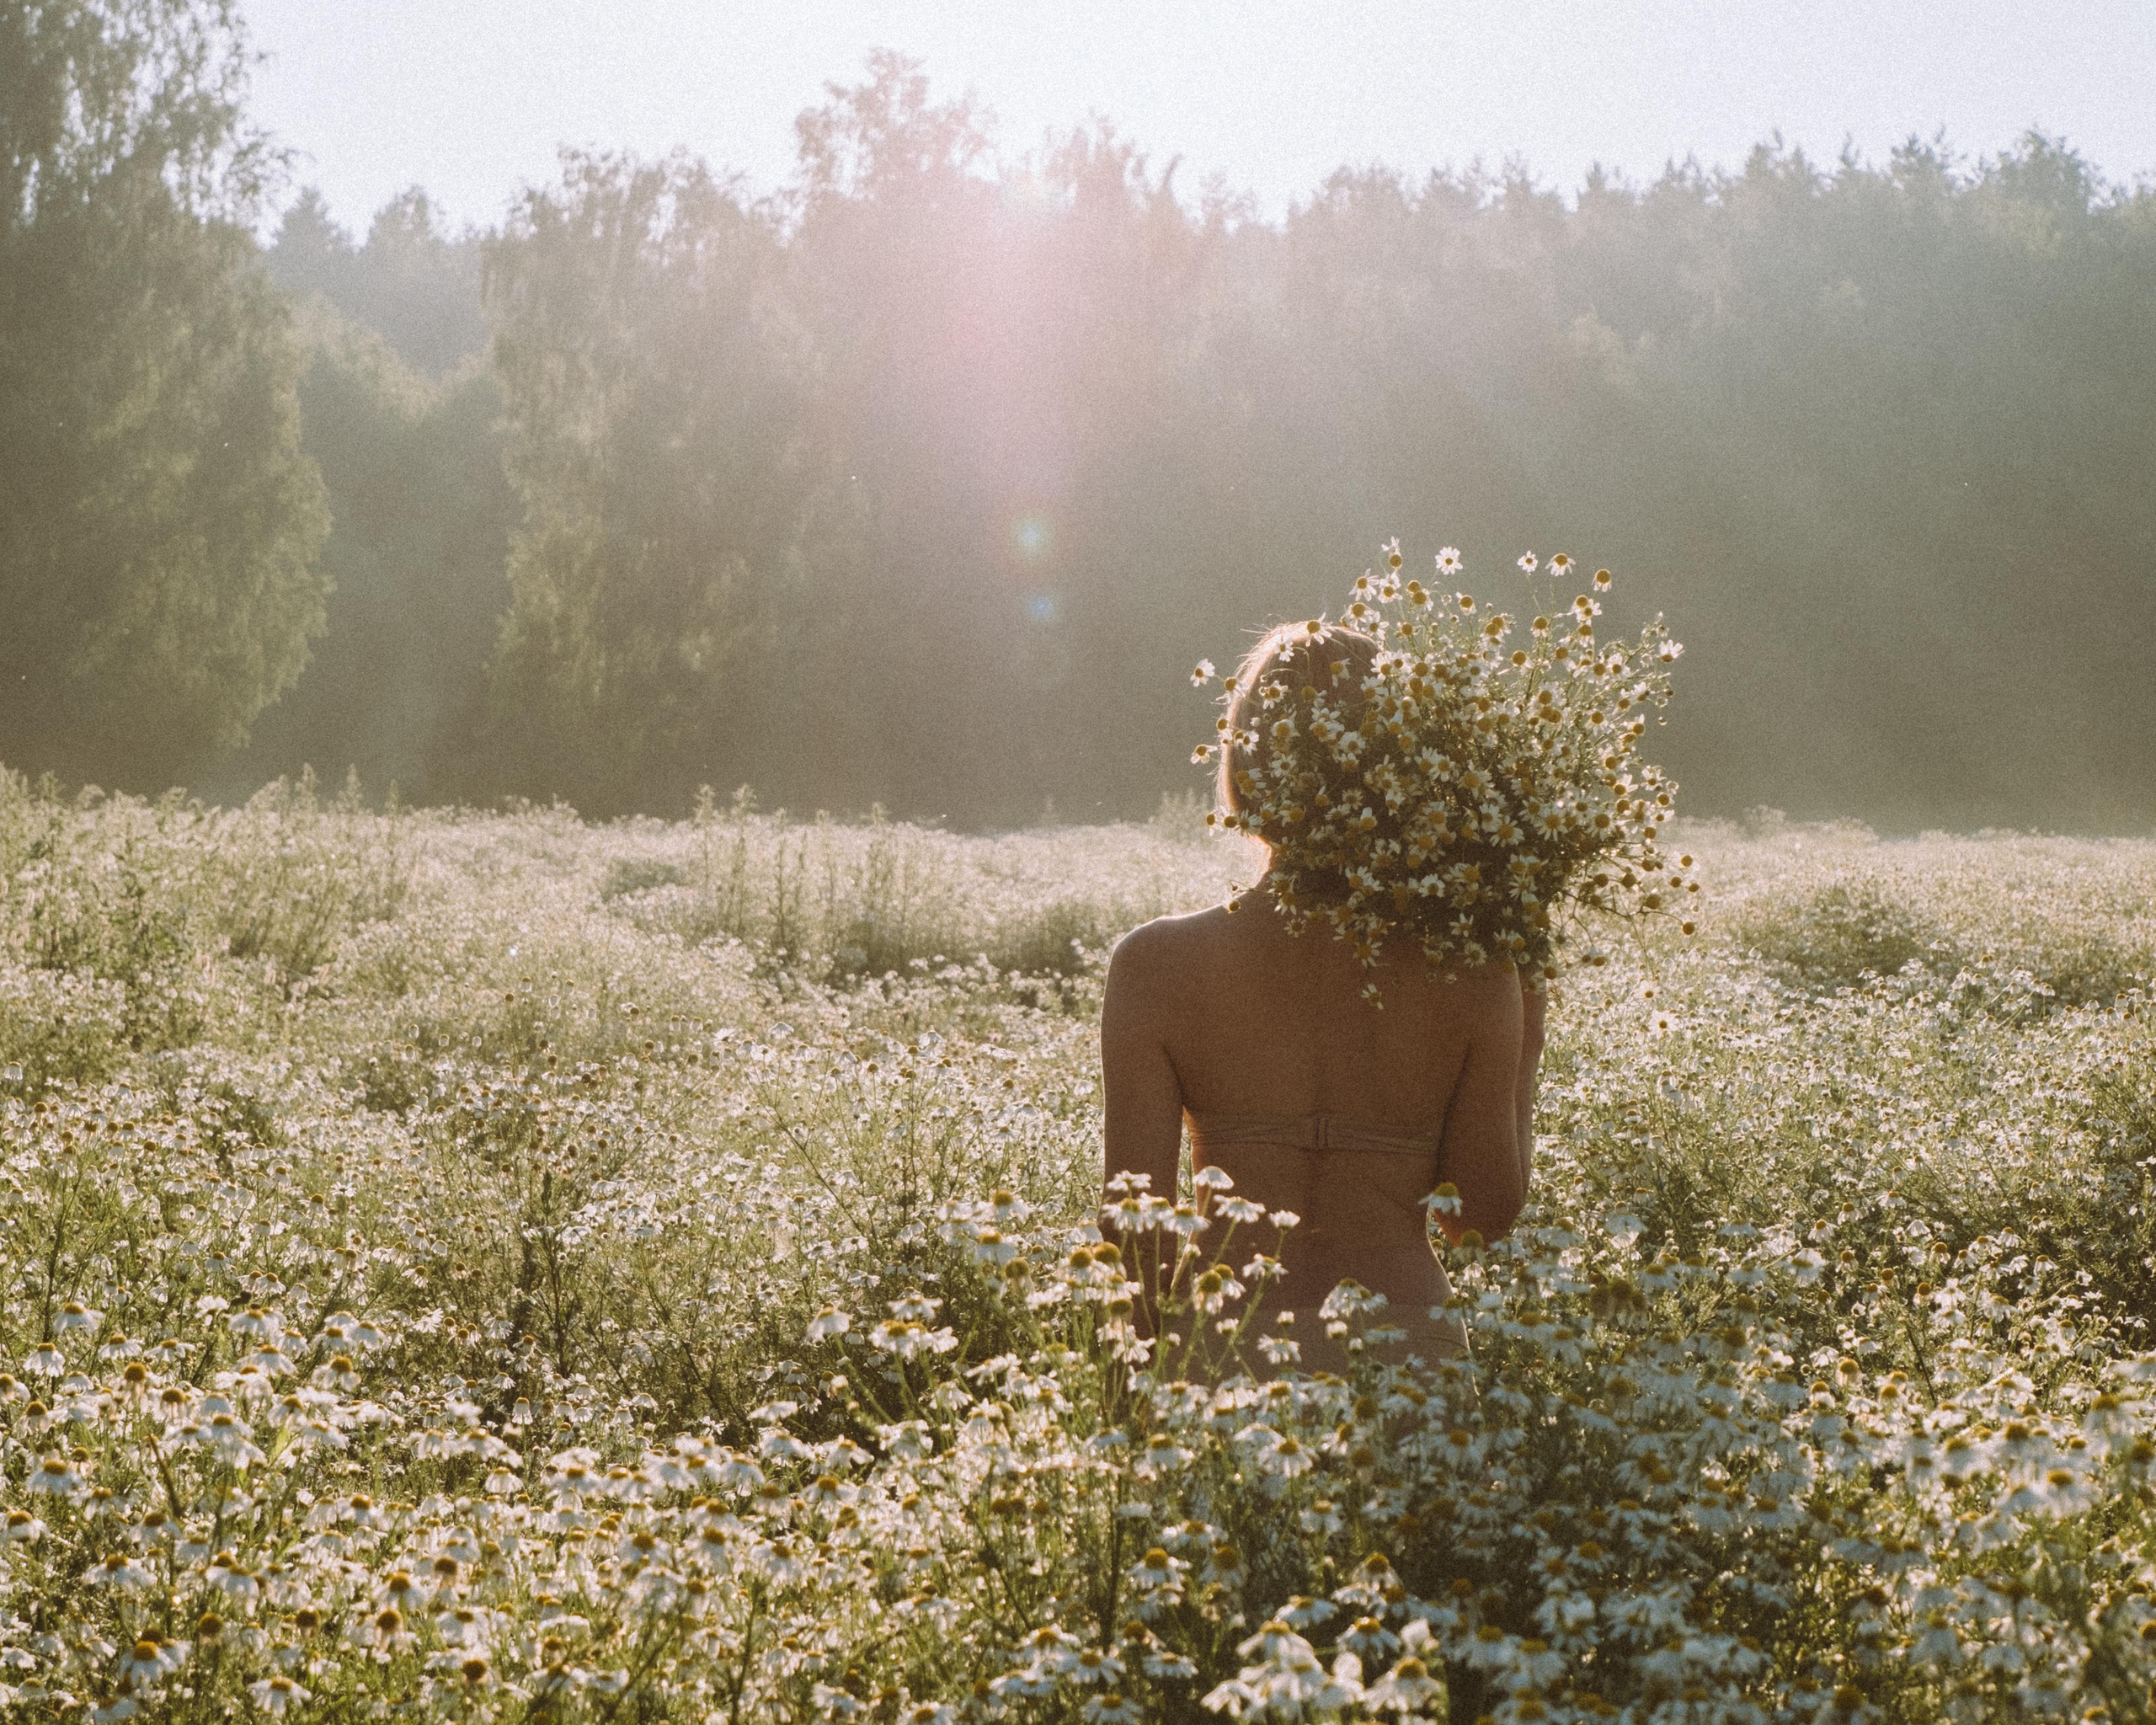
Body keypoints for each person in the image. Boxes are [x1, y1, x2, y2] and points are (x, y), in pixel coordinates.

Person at [1100, 622, 1546, 1376]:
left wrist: (1128, 1422)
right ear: (1402, 767)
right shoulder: (1473, 974)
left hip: (1225, 1349)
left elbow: (1135, 1235)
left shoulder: (1156, 967)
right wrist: (1525, 1027)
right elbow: (1481, 1223)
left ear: (1247, 765)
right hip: (1410, 1359)